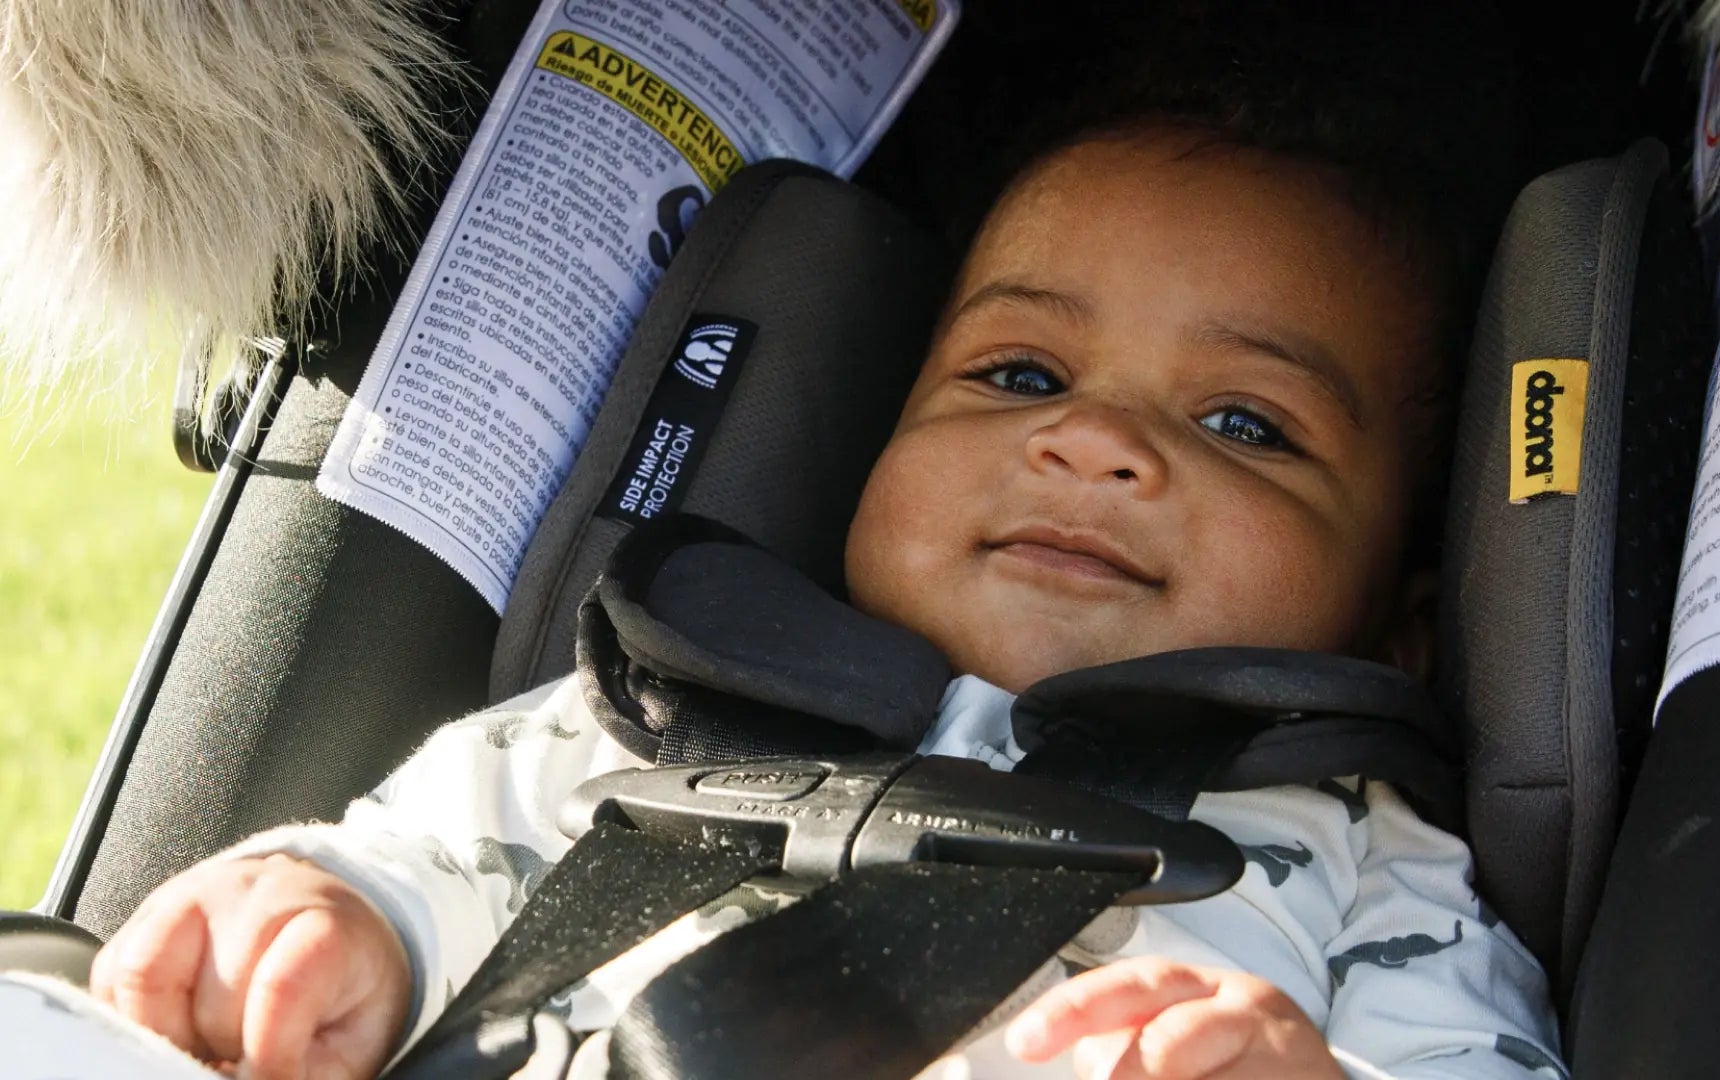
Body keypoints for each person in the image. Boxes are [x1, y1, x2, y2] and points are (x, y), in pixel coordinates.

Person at [85, 114, 1561, 1080]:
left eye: (1245, 425)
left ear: (1397, 623)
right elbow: (420, 866)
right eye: (1022, 376)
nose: (1092, 440)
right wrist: (333, 923)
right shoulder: (654, 711)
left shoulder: (1372, 871)